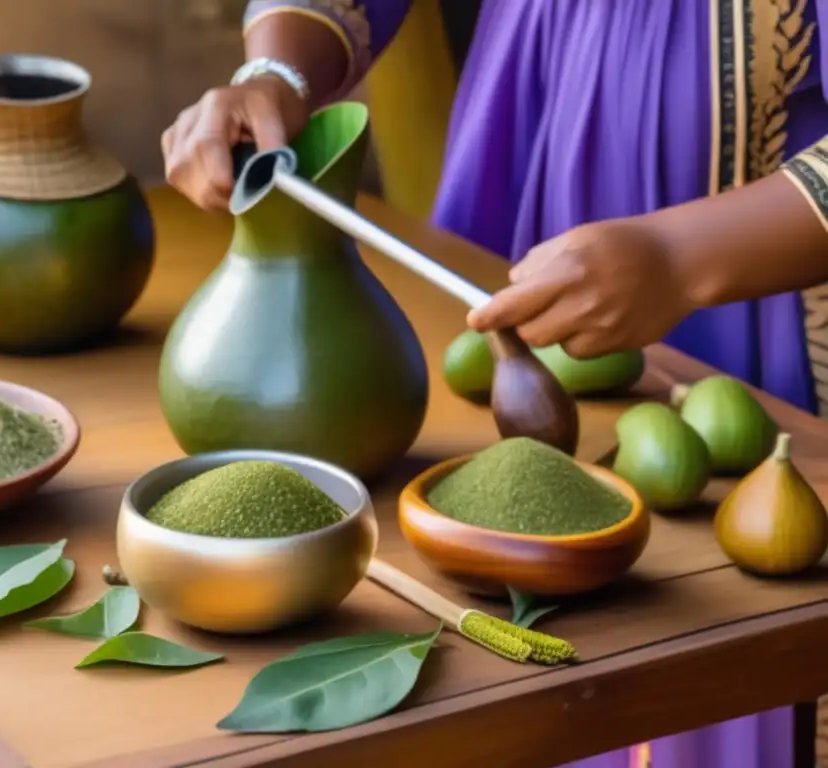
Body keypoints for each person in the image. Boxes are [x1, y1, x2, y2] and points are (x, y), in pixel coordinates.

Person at [160, 2, 828, 766]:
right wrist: (277, 71)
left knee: (719, 647)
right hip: (537, 152)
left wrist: (679, 260)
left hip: (760, 277)